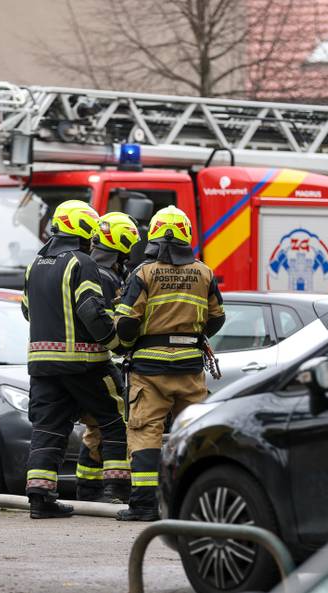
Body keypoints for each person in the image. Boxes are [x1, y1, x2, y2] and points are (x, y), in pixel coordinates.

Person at [113, 206, 225, 521]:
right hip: (190, 368)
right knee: (195, 435)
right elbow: (217, 317)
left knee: (145, 432)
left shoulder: (144, 272)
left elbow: (126, 323)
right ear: (186, 236)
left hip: (149, 371)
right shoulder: (204, 272)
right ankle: (199, 504)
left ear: (154, 235)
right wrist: (193, 334)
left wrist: (128, 342)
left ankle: (144, 506)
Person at [20, 200, 129, 519]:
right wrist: (117, 342)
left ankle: (40, 499)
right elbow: (91, 310)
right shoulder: (82, 263)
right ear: (82, 229)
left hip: (42, 366)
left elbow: (26, 310)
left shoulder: (34, 264)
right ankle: (118, 492)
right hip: (85, 364)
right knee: (115, 419)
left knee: (48, 429)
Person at [76, 212, 141, 503]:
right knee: (116, 422)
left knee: (95, 428)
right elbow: (107, 320)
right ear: (122, 244)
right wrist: (123, 344)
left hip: (86, 362)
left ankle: (88, 490)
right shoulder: (104, 276)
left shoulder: (96, 270)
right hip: (101, 361)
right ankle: (115, 490)